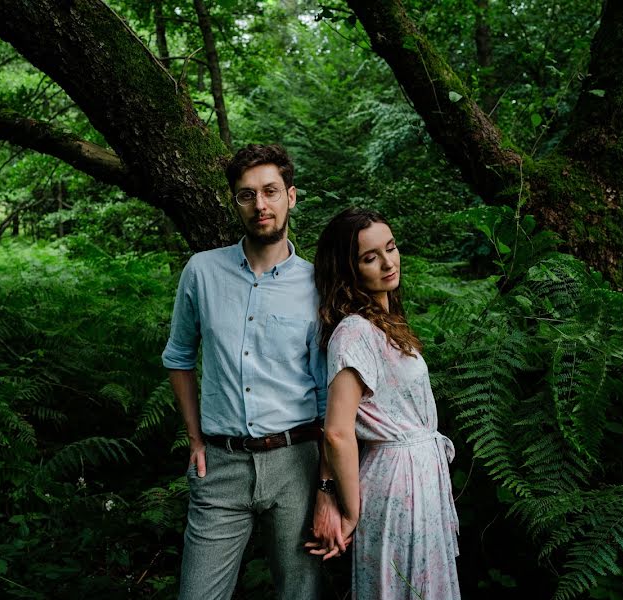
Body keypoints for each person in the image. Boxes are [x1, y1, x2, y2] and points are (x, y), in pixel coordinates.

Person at [162, 144, 333, 600]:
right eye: (247, 195)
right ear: (235, 203)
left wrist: (326, 484)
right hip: (220, 464)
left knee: (301, 594)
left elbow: (325, 393)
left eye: (271, 191)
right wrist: (196, 438)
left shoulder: (318, 284)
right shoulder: (202, 271)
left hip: (297, 460)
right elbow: (178, 356)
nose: (261, 205)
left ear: (290, 197)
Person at [307, 207, 461, 599]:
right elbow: (338, 431)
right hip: (395, 482)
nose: (388, 262)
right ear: (349, 269)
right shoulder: (354, 331)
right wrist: (351, 510)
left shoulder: (384, 321)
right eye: (370, 257)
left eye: (390, 248)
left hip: (418, 476)